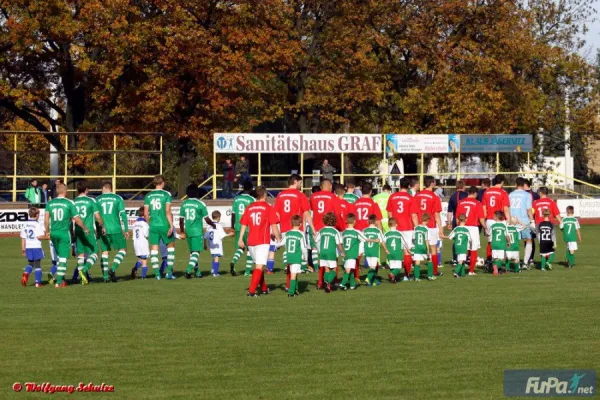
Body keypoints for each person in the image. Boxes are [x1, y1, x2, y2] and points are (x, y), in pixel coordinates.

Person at [238, 186, 281, 297]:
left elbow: (243, 224)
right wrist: (279, 239)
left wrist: (240, 238)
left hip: (250, 241)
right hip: (262, 241)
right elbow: (274, 226)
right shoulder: (268, 207)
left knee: (259, 266)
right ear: (265, 195)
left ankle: (264, 288)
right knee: (259, 267)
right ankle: (251, 292)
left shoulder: (250, 207)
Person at [45, 183, 88, 287]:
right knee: (63, 258)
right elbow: (77, 219)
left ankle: (62, 279)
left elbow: (46, 219)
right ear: (66, 191)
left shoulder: (50, 203)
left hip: (53, 232)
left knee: (59, 257)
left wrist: (47, 231)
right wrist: (85, 228)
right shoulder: (69, 203)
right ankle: (59, 282)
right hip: (64, 233)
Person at [274, 174, 314, 272]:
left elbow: (277, 214)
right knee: (299, 248)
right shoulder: (300, 195)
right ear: (295, 182)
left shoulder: (280, 195)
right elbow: (306, 213)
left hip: (284, 227)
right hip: (297, 227)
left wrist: (275, 228)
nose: (301, 185)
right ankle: (301, 268)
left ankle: (287, 266)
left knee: (288, 248)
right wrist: (313, 228)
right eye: (300, 183)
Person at [411, 176, 444, 277]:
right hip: (431, 225)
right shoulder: (435, 197)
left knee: (417, 248)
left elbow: (414, 213)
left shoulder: (417, 195)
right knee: (433, 248)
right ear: (432, 184)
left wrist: (416, 226)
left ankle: (415, 273)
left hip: (420, 225)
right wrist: (441, 228)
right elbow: (437, 215)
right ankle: (434, 271)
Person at [144, 175, 175, 280]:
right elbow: (167, 211)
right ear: (163, 183)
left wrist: (149, 223)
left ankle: (157, 274)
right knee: (170, 248)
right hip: (164, 224)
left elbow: (145, 213)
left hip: (153, 225)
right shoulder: (166, 194)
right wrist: (171, 225)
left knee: (154, 249)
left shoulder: (148, 196)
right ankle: (169, 272)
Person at [97, 181, 129, 282]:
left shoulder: (97, 199)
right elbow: (123, 214)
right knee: (123, 250)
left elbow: (96, 216)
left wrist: (98, 229)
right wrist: (126, 229)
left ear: (104, 188)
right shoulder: (118, 198)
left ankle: (105, 277)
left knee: (105, 252)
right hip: (116, 229)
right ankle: (113, 268)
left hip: (104, 229)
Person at [73, 181, 105, 284]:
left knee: (81, 254)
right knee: (95, 252)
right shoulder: (91, 200)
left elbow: (71, 218)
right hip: (88, 230)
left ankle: (83, 279)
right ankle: (84, 270)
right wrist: (102, 226)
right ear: (86, 189)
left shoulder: (73, 201)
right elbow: (97, 216)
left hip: (77, 230)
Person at [386, 177, 414, 280]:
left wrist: (392, 224)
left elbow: (389, 213)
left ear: (399, 185)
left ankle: (394, 273)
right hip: (407, 227)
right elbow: (413, 215)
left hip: (395, 227)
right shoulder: (410, 198)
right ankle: (407, 275)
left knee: (395, 250)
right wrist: (416, 227)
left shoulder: (392, 196)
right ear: (409, 186)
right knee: (407, 251)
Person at [179, 184, 210, 279]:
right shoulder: (200, 204)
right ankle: (188, 270)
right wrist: (213, 225)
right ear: (197, 192)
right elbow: (207, 219)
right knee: (196, 252)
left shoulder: (184, 203)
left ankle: (197, 271)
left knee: (192, 252)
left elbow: (181, 220)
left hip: (188, 230)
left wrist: (182, 231)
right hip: (197, 231)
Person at [455, 186, 486, 275]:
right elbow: (481, 218)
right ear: (475, 193)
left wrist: (459, 227)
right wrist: (485, 227)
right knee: (473, 249)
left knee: (464, 249)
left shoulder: (460, 202)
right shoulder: (477, 203)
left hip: (463, 227)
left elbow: (457, 218)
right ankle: (471, 271)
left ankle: (461, 269)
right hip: (473, 227)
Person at [482, 175, 511, 264]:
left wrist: (484, 222)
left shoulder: (486, 192)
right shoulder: (503, 192)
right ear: (502, 182)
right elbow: (506, 209)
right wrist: (508, 221)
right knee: (501, 241)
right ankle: (499, 263)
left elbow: (484, 208)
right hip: (500, 220)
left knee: (490, 242)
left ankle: (489, 261)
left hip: (489, 220)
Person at [315, 212, 344, 293]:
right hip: (331, 253)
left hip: (323, 252)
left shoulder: (321, 230)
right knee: (334, 269)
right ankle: (327, 282)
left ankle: (326, 283)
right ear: (334, 221)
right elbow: (339, 244)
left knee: (326, 269)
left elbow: (315, 240)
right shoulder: (335, 231)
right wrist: (342, 252)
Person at [509, 177, 534, 270]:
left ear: (516, 184)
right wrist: (532, 221)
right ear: (524, 185)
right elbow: (529, 210)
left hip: (513, 222)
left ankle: (517, 263)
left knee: (515, 242)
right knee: (528, 240)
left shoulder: (510, 195)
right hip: (524, 222)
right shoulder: (527, 195)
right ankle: (525, 262)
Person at [230, 182, 255, 276]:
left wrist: (232, 226)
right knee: (250, 249)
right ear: (251, 189)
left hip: (238, 226)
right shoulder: (252, 199)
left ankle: (233, 261)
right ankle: (247, 271)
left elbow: (233, 214)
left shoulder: (236, 199)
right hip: (248, 227)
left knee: (240, 247)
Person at [20, 207, 47, 288]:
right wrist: (48, 237)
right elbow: (39, 237)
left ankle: (25, 274)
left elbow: (23, 237)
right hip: (36, 246)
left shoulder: (25, 224)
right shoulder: (38, 224)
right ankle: (38, 283)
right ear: (37, 215)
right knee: (37, 265)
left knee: (30, 263)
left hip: (28, 247)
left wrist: (23, 249)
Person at [340, 214, 367, 290]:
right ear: (354, 222)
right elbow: (364, 239)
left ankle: (352, 285)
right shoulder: (356, 232)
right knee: (348, 270)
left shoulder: (344, 232)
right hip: (352, 254)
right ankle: (342, 284)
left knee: (350, 269)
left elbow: (341, 243)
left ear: (346, 222)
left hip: (345, 254)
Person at [284, 215, 307, 297]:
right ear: (300, 224)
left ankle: (296, 290)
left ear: (291, 223)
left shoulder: (287, 233)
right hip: (296, 257)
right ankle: (291, 292)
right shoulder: (301, 234)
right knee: (293, 275)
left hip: (289, 257)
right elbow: (304, 248)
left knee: (295, 273)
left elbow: (282, 243)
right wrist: (306, 258)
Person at [205, 210, 234, 277]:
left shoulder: (209, 226)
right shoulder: (218, 225)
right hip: (216, 244)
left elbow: (205, 236)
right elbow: (222, 235)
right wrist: (230, 234)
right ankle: (215, 273)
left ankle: (213, 269)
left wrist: (205, 244)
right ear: (218, 217)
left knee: (214, 257)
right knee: (217, 257)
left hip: (211, 244)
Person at [446, 180, 468, 264]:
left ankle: (455, 259)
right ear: (463, 186)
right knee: (466, 239)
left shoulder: (452, 196)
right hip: (466, 220)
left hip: (456, 219)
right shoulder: (466, 195)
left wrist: (449, 223)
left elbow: (449, 211)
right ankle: (465, 259)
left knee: (456, 240)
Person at [363, 214, 388, 287]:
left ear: (368, 221)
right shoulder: (378, 231)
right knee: (373, 267)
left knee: (372, 267)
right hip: (374, 251)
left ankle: (372, 282)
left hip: (367, 251)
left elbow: (361, 240)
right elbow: (382, 241)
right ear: (375, 222)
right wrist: (386, 249)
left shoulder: (364, 230)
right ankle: (368, 278)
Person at [412, 213, 434, 281]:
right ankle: (430, 276)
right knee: (430, 260)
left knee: (417, 262)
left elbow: (413, 238)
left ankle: (416, 277)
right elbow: (427, 240)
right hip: (423, 247)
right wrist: (428, 249)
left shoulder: (416, 228)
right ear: (427, 220)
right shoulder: (426, 229)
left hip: (417, 247)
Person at [523, 179, 540, 265]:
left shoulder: (534, 195)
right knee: (529, 240)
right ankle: (530, 258)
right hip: (529, 220)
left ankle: (530, 258)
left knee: (528, 240)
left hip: (528, 220)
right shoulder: (535, 195)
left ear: (525, 185)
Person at [384, 218, 405, 283]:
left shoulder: (386, 234)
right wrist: (406, 250)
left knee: (392, 267)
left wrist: (386, 249)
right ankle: (392, 274)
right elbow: (403, 243)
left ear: (388, 225)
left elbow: (383, 242)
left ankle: (393, 279)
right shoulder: (399, 233)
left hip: (390, 252)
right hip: (397, 252)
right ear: (396, 225)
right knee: (398, 268)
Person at [131, 206, 150, 279]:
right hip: (143, 243)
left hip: (136, 243)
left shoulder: (135, 223)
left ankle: (135, 269)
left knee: (140, 259)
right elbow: (146, 234)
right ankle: (143, 276)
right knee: (144, 260)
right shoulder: (144, 224)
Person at [489, 211, 510, 276]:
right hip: (501, 244)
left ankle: (495, 269)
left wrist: (490, 241)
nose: (493, 217)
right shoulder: (504, 226)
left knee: (495, 258)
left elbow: (489, 234)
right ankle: (496, 267)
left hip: (494, 244)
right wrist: (509, 242)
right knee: (501, 259)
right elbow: (507, 236)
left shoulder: (492, 226)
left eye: (494, 216)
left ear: (497, 217)